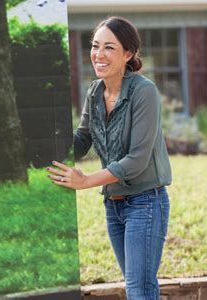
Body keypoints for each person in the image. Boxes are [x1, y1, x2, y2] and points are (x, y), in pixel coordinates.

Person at [47, 16, 172, 300]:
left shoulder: (144, 92)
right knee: (142, 287)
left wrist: (87, 180)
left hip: (145, 203)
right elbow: (81, 142)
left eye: (109, 48)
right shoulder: (95, 91)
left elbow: (137, 160)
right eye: (94, 46)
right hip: (113, 207)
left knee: (138, 290)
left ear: (128, 54)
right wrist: (50, 128)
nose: (98, 55)